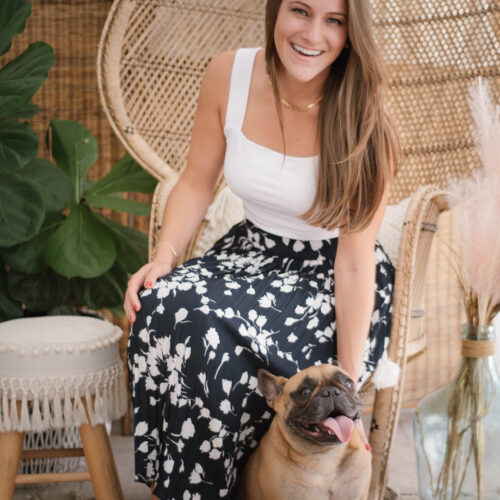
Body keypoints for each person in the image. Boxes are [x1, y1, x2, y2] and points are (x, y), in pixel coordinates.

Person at [125, 0, 399, 498]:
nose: (312, 34)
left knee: (211, 340)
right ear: (275, 10)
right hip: (247, 252)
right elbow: (196, 181)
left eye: (334, 20)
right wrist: (163, 258)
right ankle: (182, 486)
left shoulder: (366, 118)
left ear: (350, 32)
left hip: (328, 275)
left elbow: (355, 266)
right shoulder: (228, 74)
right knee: (162, 301)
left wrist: (348, 394)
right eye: (300, 10)